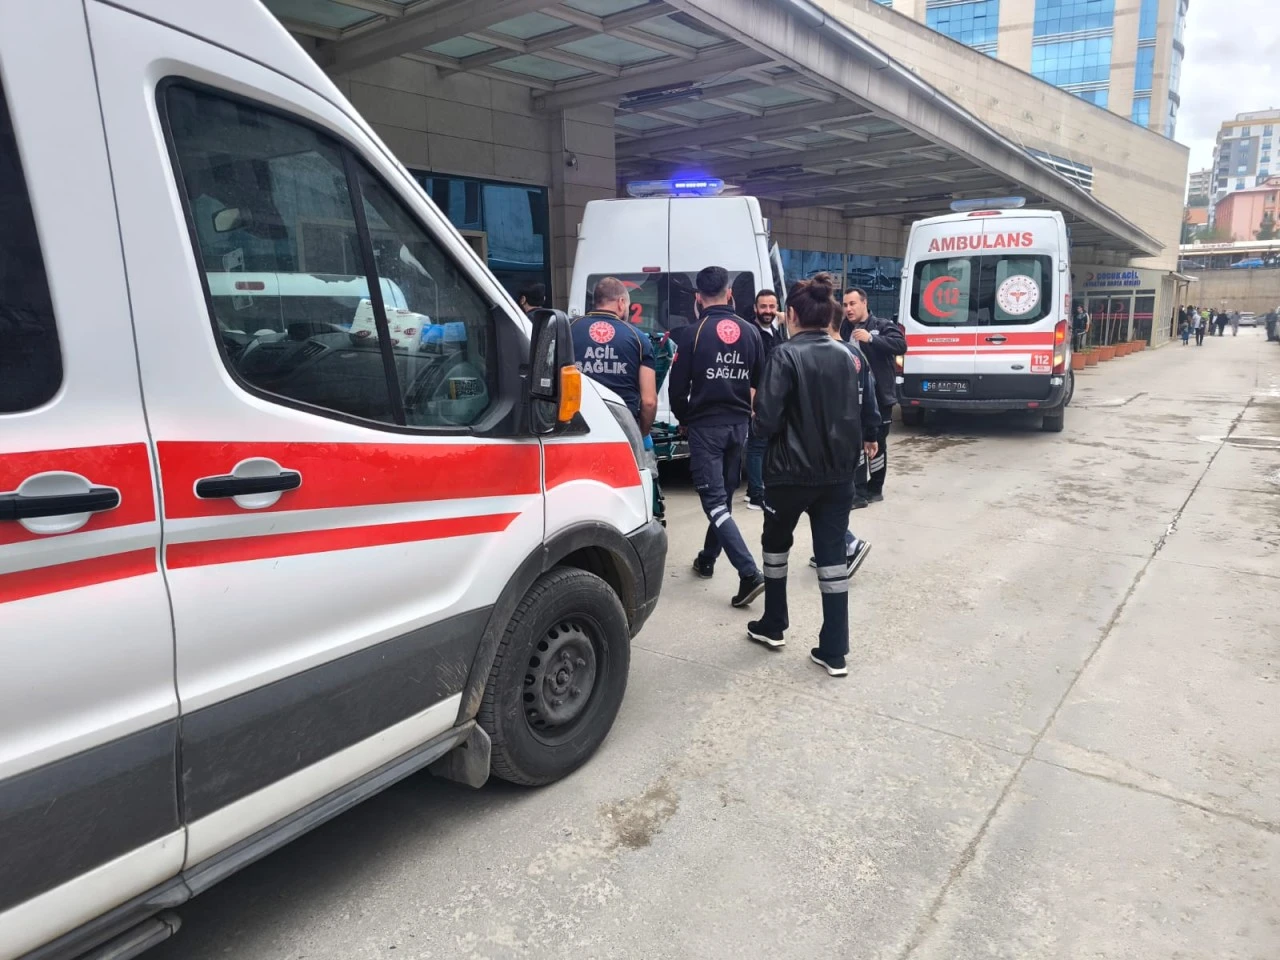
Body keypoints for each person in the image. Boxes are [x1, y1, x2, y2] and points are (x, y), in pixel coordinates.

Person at [746, 274, 880, 677]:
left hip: (787, 475)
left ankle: (774, 623)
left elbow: (766, 421)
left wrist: (756, 422)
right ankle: (834, 650)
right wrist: (870, 438)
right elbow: (870, 411)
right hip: (839, 477)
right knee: (832, 557)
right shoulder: (852, 357)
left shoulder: (783, 356)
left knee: (775, 546)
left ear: (790, 314)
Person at [669, 266, 766, 608]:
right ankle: (707, 558)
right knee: (723, 498)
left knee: (713, 502)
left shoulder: (692, 333)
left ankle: (749, 573)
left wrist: (684, 418)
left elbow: (677, 387)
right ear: (730, 293)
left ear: (698, 297)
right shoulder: (751, 332)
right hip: (738, 426)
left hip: (706, 427)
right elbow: (759, 381)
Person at [839, 287, 906, 505]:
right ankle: (857, 489)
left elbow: (901, 345)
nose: (848, 309)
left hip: (879, 398)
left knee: (877, 444)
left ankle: (875, 488)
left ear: (864, 303)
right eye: (845, 305)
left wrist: (871, 339)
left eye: (852, 304)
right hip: (852, 399)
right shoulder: (843, 328)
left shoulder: (882, 325)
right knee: (857, 444)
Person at [571, 276, 658, 439]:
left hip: (577, 427)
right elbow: (649, 401)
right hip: (622, 429)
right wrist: (640, 434)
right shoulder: (638, 338)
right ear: (621, 302)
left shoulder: (569, 328)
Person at [744, 289, 784, 511]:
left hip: (774, 399)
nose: (767, 311)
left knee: (766, 446)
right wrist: (753, 404)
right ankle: (756, 496)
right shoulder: (752, 333)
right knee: (757, 447)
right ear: (755, 308)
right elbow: (750, 372)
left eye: (771, 307)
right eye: (763, 307)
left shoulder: (775, 332)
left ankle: (756, 488)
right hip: (758, 399)